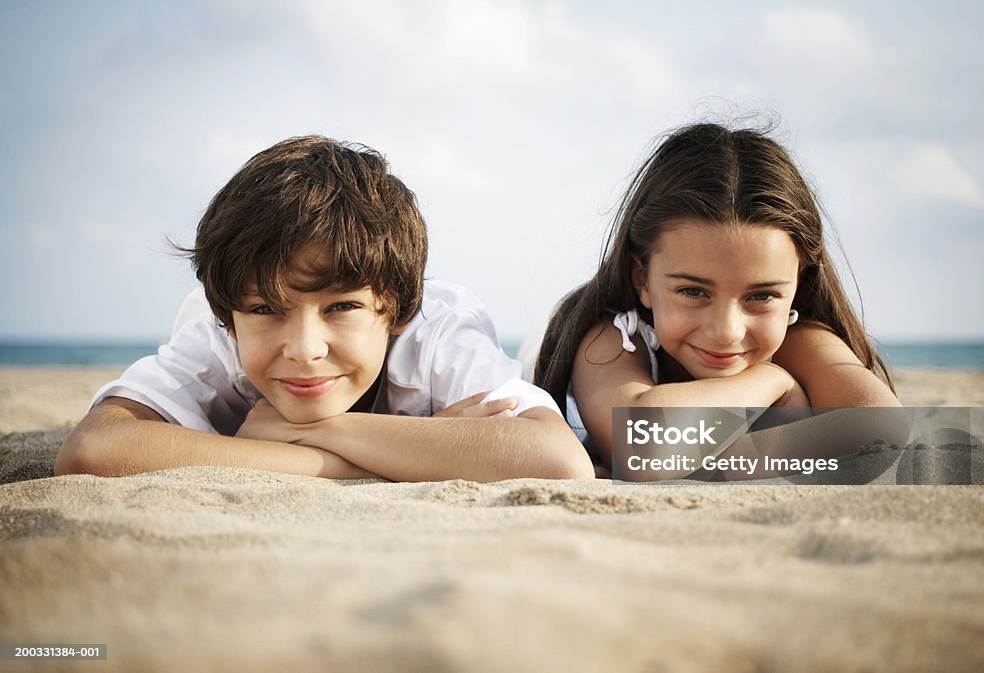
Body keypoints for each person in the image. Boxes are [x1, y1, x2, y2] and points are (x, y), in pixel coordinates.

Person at [57, 135, 593, 482]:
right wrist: (382, 459)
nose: (305, 349)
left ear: (398, 310)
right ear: (228, 316)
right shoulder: (215, 332)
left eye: (341, 306)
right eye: (266, 309)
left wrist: (310, 430)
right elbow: (96, 449)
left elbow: (561, 461)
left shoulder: (438, 333)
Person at [533, 122, 904, 474]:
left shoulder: (799, 337)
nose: (727, 331)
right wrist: (774, 381)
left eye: (761, 295)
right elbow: (643, 447)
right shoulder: (610, 336)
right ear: (642, 278)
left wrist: (706, 462)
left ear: (798, 282)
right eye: (693, 291)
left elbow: (886, 435)